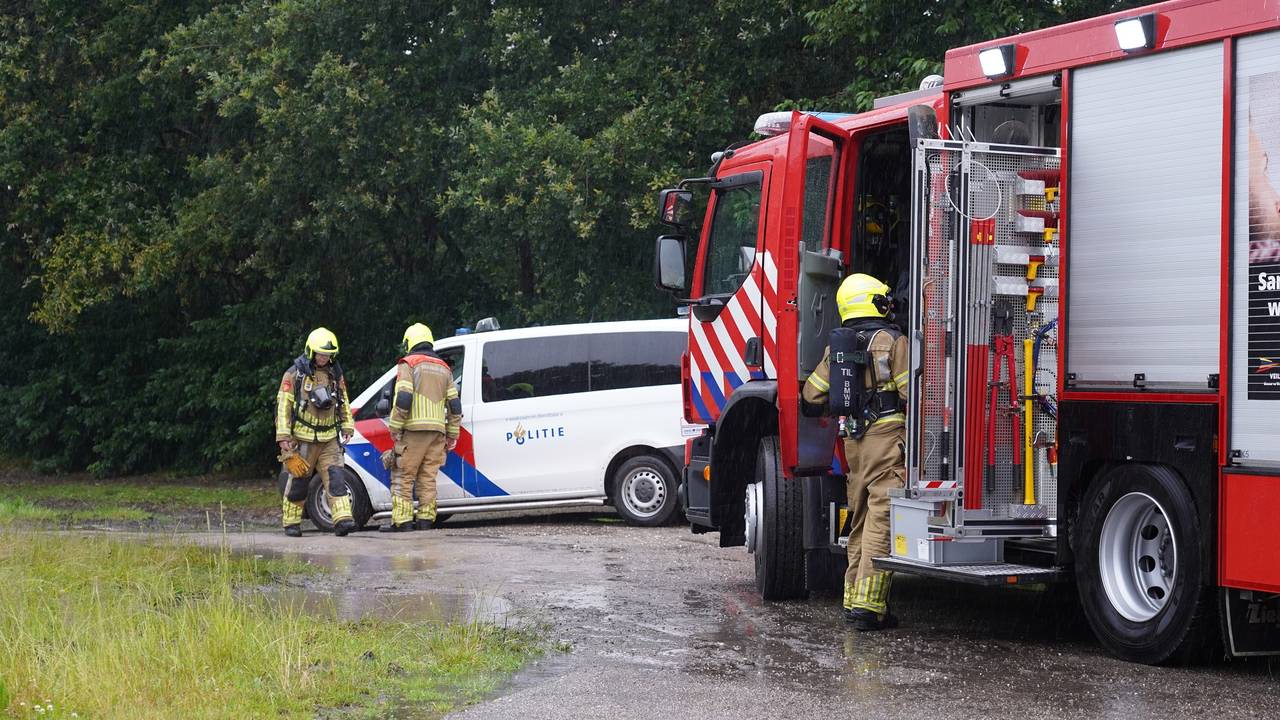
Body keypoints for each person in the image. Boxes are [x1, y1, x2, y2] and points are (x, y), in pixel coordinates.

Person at [802, 273, 909, 631]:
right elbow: (915, 395)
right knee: (882, 515)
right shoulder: (892, 341)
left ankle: (853, 601)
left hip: (854, 441)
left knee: (860, 517)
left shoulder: (839, 347)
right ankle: (868, 606)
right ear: (874, 301)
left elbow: (812, 396)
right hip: (886, 437)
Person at [275, 327, 356, 537]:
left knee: (337, 479)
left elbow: (343, 400)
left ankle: (342, 520)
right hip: (303, 439)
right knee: (299, 482)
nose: (324, 358)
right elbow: (283, 405)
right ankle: (291, 523)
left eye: (328, 354)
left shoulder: (334, 374)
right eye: (320, 354)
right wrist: (284, 436)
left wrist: (347, 425)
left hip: (329, 438)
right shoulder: (295, 374)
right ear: (311, 351)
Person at [382, 323, 462, 531]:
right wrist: (452, 433)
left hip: (413, 431)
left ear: (410, 342)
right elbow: (454, 404)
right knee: (428, 477)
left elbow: (404, 397)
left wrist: (395, 427)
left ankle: (402, 522)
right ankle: (426, 521)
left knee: (403, 476)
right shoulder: (444, 367)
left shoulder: (409, 363)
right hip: (437, 432)